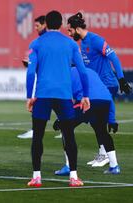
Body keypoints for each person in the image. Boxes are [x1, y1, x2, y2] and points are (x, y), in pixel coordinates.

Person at [26, 10, 90, 187]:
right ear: (61, 24)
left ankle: (36, 177)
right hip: (64, 96)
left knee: (37, 136)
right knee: (69, 136)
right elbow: (83, 71)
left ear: (46, 24)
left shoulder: (36, 43)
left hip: (43, 95)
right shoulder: (70, 44)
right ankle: (74, 177)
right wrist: (85, 95)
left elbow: (31, 72)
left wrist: (28, 96)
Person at [67, 12, 132, 167]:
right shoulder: (82, 43)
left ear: (77, 29)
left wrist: (121, 79)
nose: (69, 34)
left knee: (97, 122)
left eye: (70, 30)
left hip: (108, 84)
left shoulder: (95, 40)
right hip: (98, 87)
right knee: (95, 121)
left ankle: (105, 155)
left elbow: (113, 57)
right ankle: (104, 154)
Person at [54, 67, 120, 176]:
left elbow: (65, 98)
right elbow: (107, 95)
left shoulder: (66, 74)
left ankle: (68, 166)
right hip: (105, 102)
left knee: (65, 128)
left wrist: (60, 118)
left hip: (87, 102)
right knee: (102, 132)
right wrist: (112, 120)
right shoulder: (92, 71)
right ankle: (114, 166)